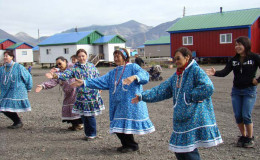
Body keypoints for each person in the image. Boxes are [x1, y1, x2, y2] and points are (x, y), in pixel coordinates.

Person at [132, 47, 223, 160]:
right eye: (175, 59)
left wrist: (190, 96)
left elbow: (208, 87)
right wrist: (142, 96)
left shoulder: (195, 70)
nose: (176, 61)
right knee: (179, 151)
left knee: (189, 152)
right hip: (181, 119)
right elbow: (162, 90)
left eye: (178, 58)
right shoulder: (177, 75)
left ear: (187, 57)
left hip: (192, 117)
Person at [71, 48, 155, 153]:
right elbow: (100, 81)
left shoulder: (133, 67)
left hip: (130, 102)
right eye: (114, 56)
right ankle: (126, 145)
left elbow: (145, 76)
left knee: (124, 125)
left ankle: (131, 145)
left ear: (125, 57)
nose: (115, 58)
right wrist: (84, 82)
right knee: (118, 127)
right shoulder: (113, 72)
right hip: (117, 103)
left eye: (118, 56)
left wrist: (134, 77)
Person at [206, 36, 260, 148]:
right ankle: (243, 136)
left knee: (246, 115)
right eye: (236, 45)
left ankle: (250, 138)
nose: (237, 47)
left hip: (249, 91)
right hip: (236, 91)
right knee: (238, 115)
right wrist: (215, 73)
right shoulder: (234, 60)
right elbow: (225, 72)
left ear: (246, 45)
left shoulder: (254, 57)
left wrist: (257, 80)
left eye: (240, 44)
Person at [45, 49, 105, 140]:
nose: (81, 58)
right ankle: (88, 134)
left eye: (83, 56)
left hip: (92, 94)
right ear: (77, 57)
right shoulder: (74, 68)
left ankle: (92, 134)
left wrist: (100, 87)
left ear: (86, 56)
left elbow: (97, 77)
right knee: (84, 116)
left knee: (90, 115)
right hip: (81, 95)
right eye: (79, 56)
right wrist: (55, 75)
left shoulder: (91, 66)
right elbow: (65, 75)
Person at [35, 56, 83, 131]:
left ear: (65, 61)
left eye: (60, 63)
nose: (59, 66)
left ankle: (79, 125)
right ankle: (74, 125)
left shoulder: (72, 67)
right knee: (68, 109)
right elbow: (52, 82)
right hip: (68, 94)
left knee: (76, 108)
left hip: (76, 92)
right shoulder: (58, 73)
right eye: (57, 65)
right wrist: (42, 86)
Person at [0, 51, 33, 129]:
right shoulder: (2, 69)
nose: (5, 57)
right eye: (4, 56)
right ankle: (17, 121)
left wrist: (29, 88)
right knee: (3, 107)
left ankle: (17, 121)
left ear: (12, 57)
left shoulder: (19, 67)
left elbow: (28, 77)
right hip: (5, 91)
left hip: (17, 90)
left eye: (6, 56)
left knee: (7, 106)